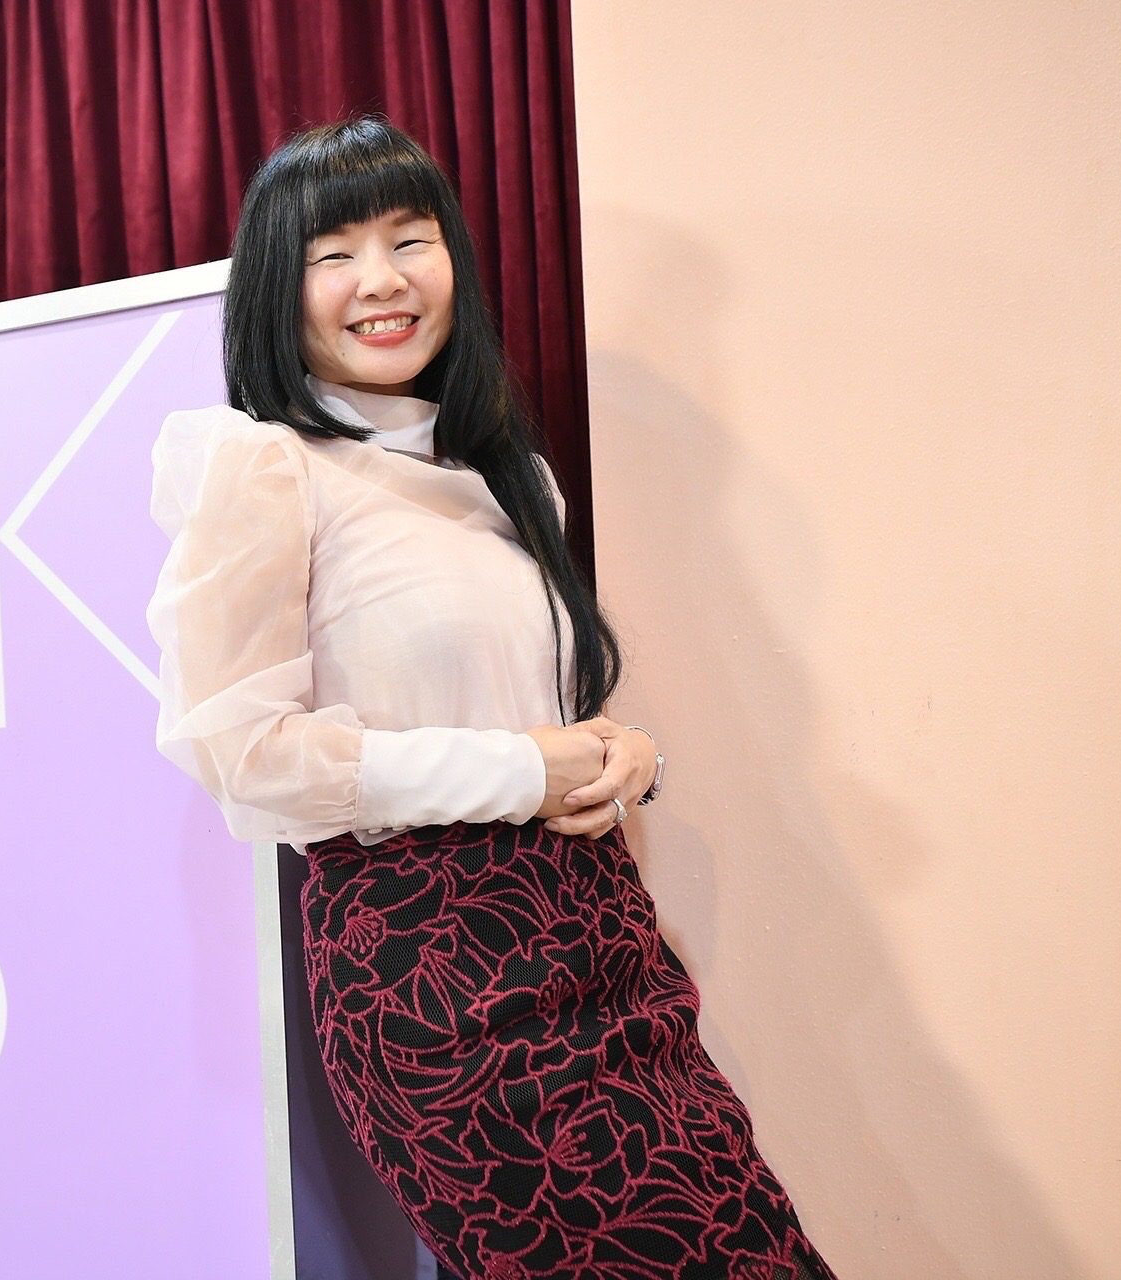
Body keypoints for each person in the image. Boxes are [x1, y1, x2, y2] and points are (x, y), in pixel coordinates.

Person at [146, 115, 837, 1280]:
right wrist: (521, 768)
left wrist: (623, 756)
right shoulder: (268, 467)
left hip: (604, 943)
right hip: (439, 975)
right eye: (333, 253)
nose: (382, 279)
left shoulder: (511, 479)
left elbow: (529, 714)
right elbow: (243, 751)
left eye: (409, 239)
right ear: (276, 288)